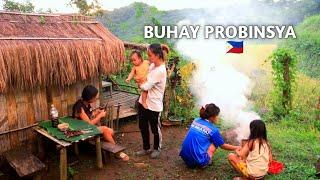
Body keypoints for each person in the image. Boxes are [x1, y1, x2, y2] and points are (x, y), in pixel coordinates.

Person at [72, 85, 129, 161]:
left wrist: (96, 112)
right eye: (95, 97)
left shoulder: (86, 103)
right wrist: (100, 116)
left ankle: (111, 147)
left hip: (88, 128)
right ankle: (118, 153)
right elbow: (88, 123)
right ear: (90, 97)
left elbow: (89, 115)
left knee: (110, 131)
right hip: (81, 131)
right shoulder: (79, 107)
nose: (96, 98)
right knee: (105, 130)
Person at [136, 43, 169, 159]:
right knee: (143, 126)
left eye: (150, 55)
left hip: (154, 105)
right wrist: (142, 83)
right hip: (143, 102)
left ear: (157, 55)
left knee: (155, 129)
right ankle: (146, 148)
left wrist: (140, 84)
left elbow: (146, 86)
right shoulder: (153, 66)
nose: (148, 58)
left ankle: (156, 148)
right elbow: (145, 81)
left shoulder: (160, 70)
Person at [179, 103, 239, 168]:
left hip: (185, 157)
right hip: (198, 162)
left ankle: (194, 156)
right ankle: (205, 162)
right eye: (217, 116)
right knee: (215, 143)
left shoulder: (196, 120)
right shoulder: (213, 130)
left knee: (204, 138)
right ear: (212, 117)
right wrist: (238, 147)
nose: (217, 118)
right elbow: (223, 146)